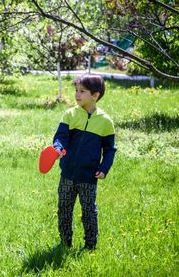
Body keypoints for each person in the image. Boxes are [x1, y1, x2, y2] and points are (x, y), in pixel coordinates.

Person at [52, 74, 116, 250]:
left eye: (82, 91)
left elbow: (109, 149)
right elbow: (60, 137)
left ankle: (90, 246)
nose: (77, 95)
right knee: (64, 209)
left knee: (88, 212)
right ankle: (65, 243)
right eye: (76, 91)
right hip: (67, 173)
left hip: (89, 175)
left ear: (95, 95)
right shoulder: (70, 114)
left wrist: (104, 168)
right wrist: (58, 147)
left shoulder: (105, 122)